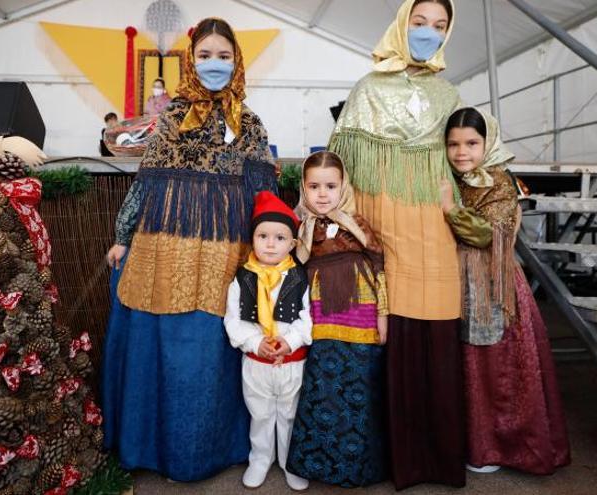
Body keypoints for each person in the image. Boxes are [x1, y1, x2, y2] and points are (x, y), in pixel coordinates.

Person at [100, 17, 276, 482]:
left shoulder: (251, 124)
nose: (214, 64)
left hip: (225, 252)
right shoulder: (173, 117)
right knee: (169, 344)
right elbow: (145, 184)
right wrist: (122, 237)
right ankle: (154, 448)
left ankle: (218, 448)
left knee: (213, 348)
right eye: (204, 55)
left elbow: (265, 195)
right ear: (191, 60)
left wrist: (271, 252)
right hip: (167, 249)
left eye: (223, 55)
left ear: (236, 61)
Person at [327, 0, 466, 488]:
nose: (428, 32)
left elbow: (469, 158)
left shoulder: (449, 93)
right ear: (401, 24)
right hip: (383, 223)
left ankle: (441, 457)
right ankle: (399, 461)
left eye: (439, 26)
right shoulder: (367, 89)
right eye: (420, 22)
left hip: (434, 228)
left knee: (438, 327)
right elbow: (339, 164)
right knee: (392, 330)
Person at [441, 106, 571, 475]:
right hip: (455, 280)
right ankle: (475, 443)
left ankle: (502, 447)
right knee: (466, 366)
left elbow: (489, 235)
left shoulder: (499, 181)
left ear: (488, 143)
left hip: (493, 284)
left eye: (471, 143)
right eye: (453, 144)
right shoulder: (445, 176)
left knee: (497, 366)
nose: (461, 152)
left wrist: (451, 209)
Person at [285, 151, 389, 487]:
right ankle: (319, 465)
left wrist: (383, 317)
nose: (322, 193)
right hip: (321, 320)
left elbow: (378, 266)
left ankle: (361, 467)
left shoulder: (358, 224)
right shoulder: (300, 230)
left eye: (331, 185)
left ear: (343, 186)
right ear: (303, 187)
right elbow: (290, 272)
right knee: (324, 389)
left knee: (360, 388)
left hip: (362, 318)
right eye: (314, 186)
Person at [224, 190, 312, 491]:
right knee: (260, 414)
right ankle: (260, 459)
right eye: (263, 236)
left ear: (293, 243)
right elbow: (233, 319)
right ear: (253, 240)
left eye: (279, 237)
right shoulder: (242, 278)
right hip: (256, 364)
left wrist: (290, 341)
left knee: (289, 414)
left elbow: (307, 318)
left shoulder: (300, 278)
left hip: (291, 363)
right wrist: (254, 342)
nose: (271, 243)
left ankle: (290, 462)